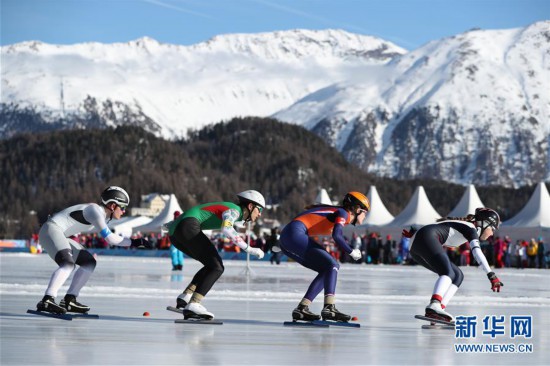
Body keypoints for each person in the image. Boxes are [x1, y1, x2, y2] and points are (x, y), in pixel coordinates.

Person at [36, 186, 151, 314]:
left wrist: (135, 242)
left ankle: (70, 299)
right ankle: (48, 299)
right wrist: (135, 242)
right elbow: (110, 238)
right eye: (123, 207)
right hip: (51, 230)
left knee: (89, 262)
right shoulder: (95, 211)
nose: (124, 211)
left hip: (57, 232)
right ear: (113, 206)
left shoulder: (102, 215)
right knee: (68, 264)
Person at [168, 190, 266, 320]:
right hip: (187, 226)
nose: (260, 214)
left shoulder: (232, 209)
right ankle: (194, 304)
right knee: (217, 267)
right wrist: (249, 248)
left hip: (175, 232)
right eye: (259, 210)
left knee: (211, 265)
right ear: (250, 206)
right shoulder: (234, 210)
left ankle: (185, 297)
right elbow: (227, 229)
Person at [280, 191, 370, 322]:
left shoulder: (338, 212)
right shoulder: (343, 213)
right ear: (356, 209)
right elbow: (337, 236)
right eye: (364, 212)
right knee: (333, 265)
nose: (365, 216)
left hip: (288, 237)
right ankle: (329, 308)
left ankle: (302, 308)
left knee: (326, 270)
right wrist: (351, 251)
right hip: (294, 234)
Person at [403, 207, 503, 323]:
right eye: (492, 229)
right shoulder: (471, 229)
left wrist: (415, 231)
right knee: (448, 273)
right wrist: (491, 275)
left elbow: (436, 226)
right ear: (484, 224)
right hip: (424, 239)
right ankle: (434, 305)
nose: (492, 233)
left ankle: (439, 310)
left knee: (458, 275)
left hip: (415, 246)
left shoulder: (464, 225)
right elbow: (477, 252)